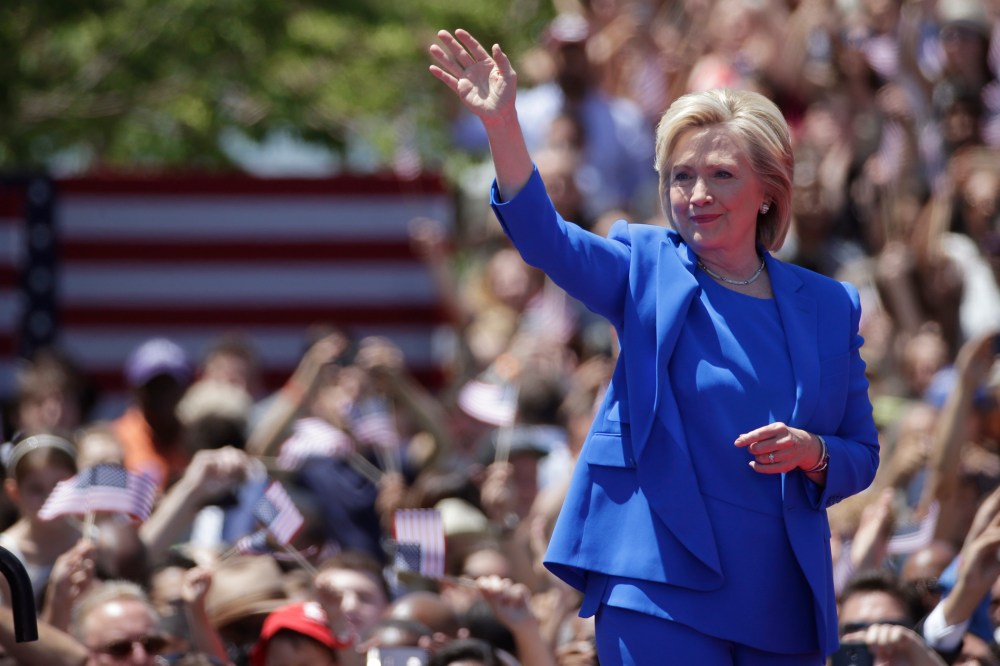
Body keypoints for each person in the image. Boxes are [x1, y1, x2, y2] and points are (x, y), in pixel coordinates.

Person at [428, 29, 880, 664]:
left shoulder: (831, 305)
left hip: (779, 589)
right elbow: (547, 241)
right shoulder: (644, 265)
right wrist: (504, 127)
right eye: (681, 176)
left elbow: (861, 453)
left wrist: (813, 452)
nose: (696, 195)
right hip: (655, 574)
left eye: (721, 175)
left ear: (770, 190)